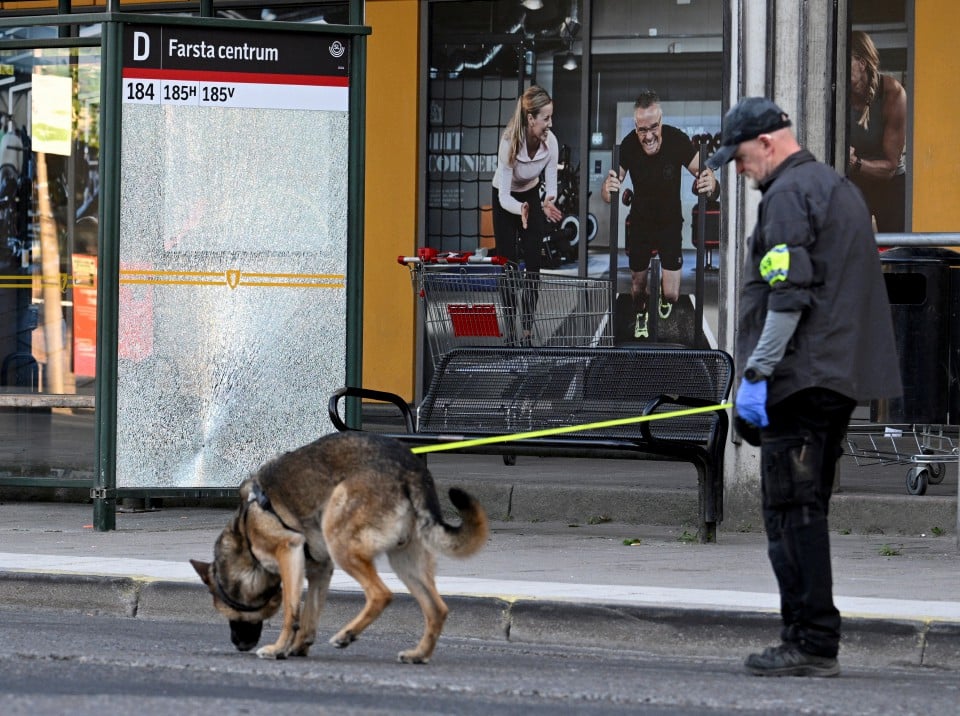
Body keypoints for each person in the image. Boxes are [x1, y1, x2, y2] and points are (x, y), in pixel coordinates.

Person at [707, 97, 902, 677]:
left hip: (799, 382)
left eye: (740, 158)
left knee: (790, 512)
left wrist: (756, 376)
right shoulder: (839, 189)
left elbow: (788, 296)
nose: (740, 171)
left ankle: (812, 640)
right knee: (805, 509)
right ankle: (810, 636)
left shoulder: (789, 195)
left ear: (767, 143)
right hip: (833, 380)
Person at [601, 90, 719, 339]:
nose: (648, 136)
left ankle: (664, 298)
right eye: (642, 130)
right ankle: (640, 312)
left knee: (673, 294)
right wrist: (608, 188)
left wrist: (711, 183)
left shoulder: (677, 140)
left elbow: (705, 175)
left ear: (661, 121)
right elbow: (610, 189)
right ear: (636, 126)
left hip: (669, 222)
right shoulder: (629, 145)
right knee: (638, 286)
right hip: (640, 222)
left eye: (653, 127)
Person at [491, 85, 564, 344]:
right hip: (505, 199)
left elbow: (551, 184)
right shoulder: (509, 142)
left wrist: (548, 201)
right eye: (546, 118)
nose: (550, 124)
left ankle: (527, 331)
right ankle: (510, 331)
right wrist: (519, 209)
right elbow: (503, 197)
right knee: (509, 266)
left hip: (531, 194)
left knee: (533, 265)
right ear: (531, 118)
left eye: (551, 117)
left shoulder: (551, 142)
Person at [847, 30, 907, 233]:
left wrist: (854, 162)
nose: (838, 68)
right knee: (852, 244)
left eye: (844, 61)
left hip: (889, 183)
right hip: (855, 181)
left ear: (861, 63)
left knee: (896, 247)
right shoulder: (837, 92)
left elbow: (890, 167)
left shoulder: (892, 93)